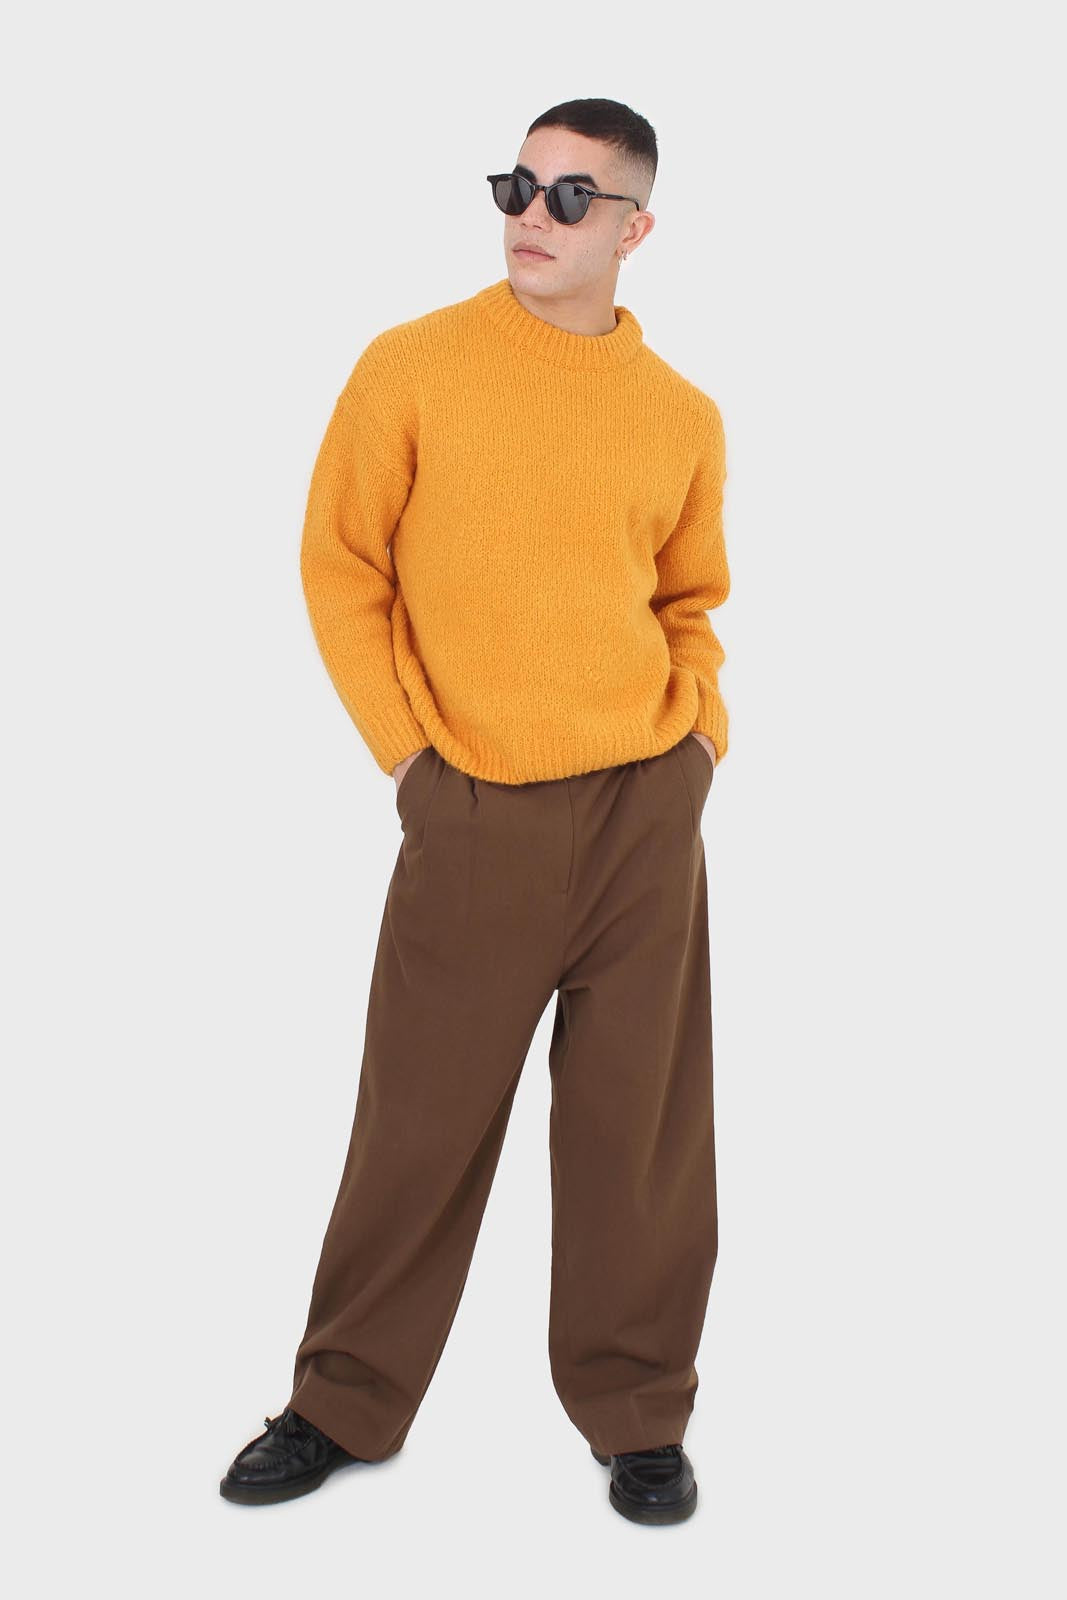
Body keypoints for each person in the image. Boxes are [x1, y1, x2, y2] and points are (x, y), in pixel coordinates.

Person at [220, 95, 730, 1527]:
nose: (531, 216)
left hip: (644, 809)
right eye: (518, 185)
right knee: (419, 1126)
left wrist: (699, 742)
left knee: (639, 1133)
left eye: (571, 197)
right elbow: (341, 567)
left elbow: (690, 600)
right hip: (473, 807)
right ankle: (340, 1403)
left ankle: (641, 1413)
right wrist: (409, 760)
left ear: (636, 228)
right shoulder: (414, 367)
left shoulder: (681, 415)